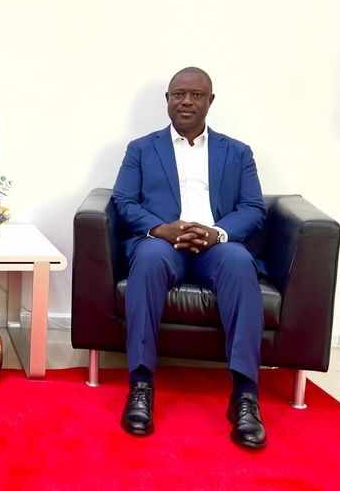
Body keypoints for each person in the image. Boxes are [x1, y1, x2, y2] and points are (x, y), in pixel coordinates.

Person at [112, 67, 267, 449]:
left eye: (196, 95)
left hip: (217, 246)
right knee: (148, 260)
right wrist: (160, 228)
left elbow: (253, 207)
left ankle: (245, 395)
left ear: (210, 101)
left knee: (240, 264)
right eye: (178, 94)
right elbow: (123, 200)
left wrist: (218, 233)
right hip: (164, 243)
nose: (186, 101)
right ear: (167, 99)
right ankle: (141, 385)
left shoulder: (237, 151)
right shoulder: (141, 149)